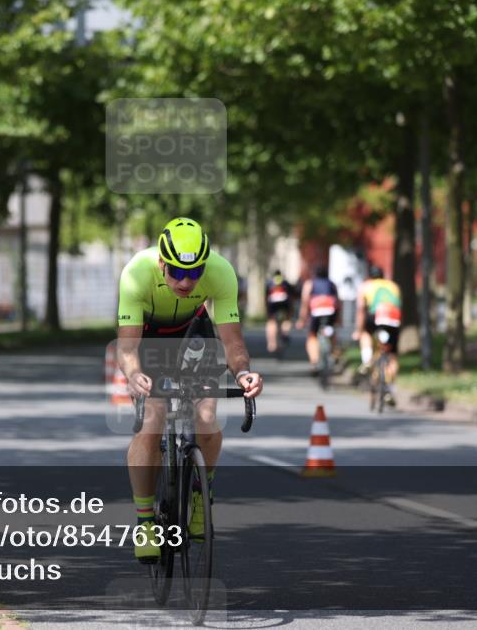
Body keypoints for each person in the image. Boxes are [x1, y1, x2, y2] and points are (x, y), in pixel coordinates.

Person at [116, 217, 263, 562]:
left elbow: (231, 340)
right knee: (153, 419)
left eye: (195, 273)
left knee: (207, 415)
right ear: (162, 263)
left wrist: (243, 373)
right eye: (178, 273)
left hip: (193, 331)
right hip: (149, 336)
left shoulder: (221, 271)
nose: (186, 281)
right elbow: (126, 349)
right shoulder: (136, 274)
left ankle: (200, 494)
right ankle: (145, 521)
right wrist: (135, 374)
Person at [352, 265, 402, 405]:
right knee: (392, 356)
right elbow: (398, 305)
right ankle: (390, 389)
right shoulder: (394, 286)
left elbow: (361, 309)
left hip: (376, 316)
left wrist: (358, 330)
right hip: (393, 318)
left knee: (365, 334)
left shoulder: (366, 286)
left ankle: (367, 360)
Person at [298, 265, 341, 372]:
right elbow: (338, 302)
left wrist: (302, 319)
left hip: (316, 312)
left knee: (312, 336)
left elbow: (305, 302)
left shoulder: (310, 283)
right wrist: (339, 319)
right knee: (332, 332)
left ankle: (314, 362)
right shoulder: (332, 284)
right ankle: (334, 353)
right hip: (331, 311)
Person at [264, 270, 295, 355]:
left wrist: (267, 310)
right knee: (286, 320)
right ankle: (285, 334)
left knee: (271, 322)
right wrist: (291, 310)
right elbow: (291, 296)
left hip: (272, 304)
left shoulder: (269, 283)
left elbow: (266, 297)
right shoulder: (285, 283)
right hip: (284, 304)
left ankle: (272, 344)